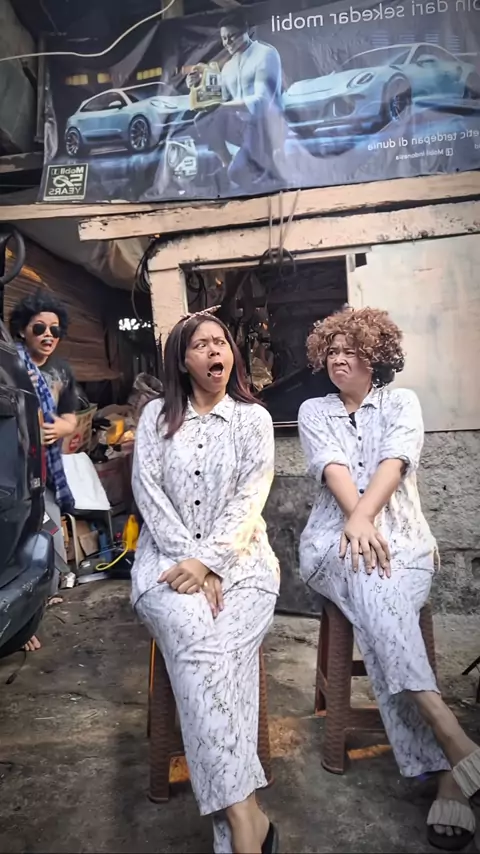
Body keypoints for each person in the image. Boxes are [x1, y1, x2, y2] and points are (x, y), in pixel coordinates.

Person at [297, 306, 480, 852]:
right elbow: (333, 469)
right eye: (331, 351)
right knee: (369, 577)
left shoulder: (402, 403)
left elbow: (395, 464)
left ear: (375, 357)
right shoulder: (313, 410)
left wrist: (366, 518)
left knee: (380, 602)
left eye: (350, 350)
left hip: (405, 543)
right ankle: (451, 735)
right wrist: (355, 521)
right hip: (331, 544)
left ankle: (447, 765)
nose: (338, 358)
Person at [131, 307, 280, 854]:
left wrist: (212, 561)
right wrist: (190, 561)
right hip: (165, 566)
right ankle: (247, 816)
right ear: (182, 360)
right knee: (201, 651)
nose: (216, 350)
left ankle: (236, 829)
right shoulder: (156, 417)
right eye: (201, 344)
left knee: (217, 660)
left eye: (221, 342)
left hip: (245, 566)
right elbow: (148, 492)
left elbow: (250, 498)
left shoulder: (253, 420)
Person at [10, 289, 77, 651]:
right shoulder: (10, 367)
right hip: (13, 478)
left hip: (44, 477)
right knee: (18, 548)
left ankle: (34, 610)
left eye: (54, 329)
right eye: (39, 328)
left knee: (48, 541)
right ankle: (18, 628)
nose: (48, 335)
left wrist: (61, 427)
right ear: (22, 330)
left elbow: (71, 417)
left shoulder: (60, 371)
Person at [187, 10, 285, 189]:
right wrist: (197, 83)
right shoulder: (228, 67)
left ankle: (259, 176)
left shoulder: (265, 54)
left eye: (231, 36)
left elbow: (262, 101)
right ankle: (227, 163)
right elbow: (217, 99)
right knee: (203, 118)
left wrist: (223, 107)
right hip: (242, 127)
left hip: (264, 126)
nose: (227, 43)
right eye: (224, 38)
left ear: (245, 31)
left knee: (238, 173)